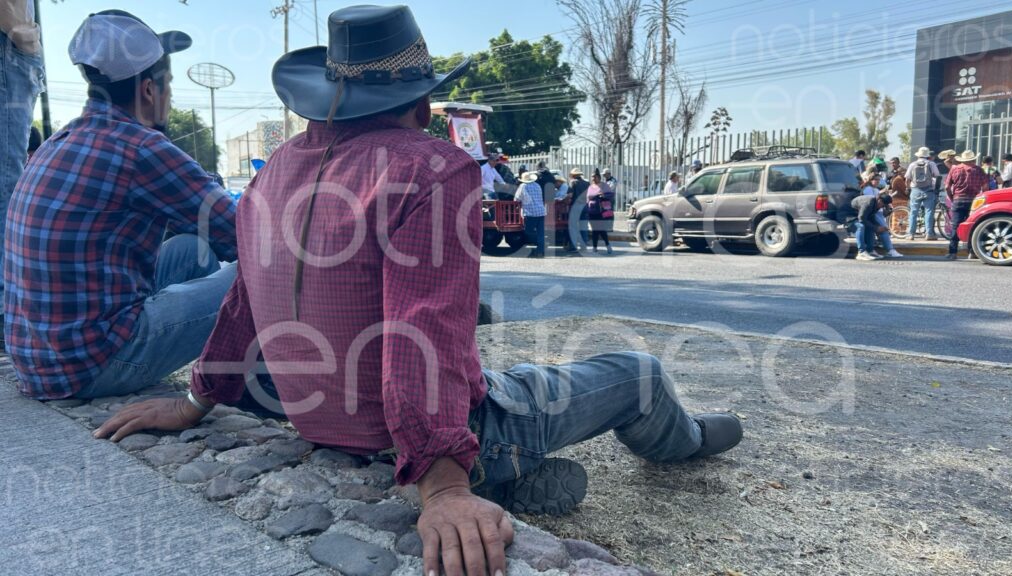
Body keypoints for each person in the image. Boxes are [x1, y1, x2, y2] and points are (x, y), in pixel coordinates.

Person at [92, 8, 743, 576]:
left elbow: (240, 304)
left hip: (321, 422)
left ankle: (523, 477)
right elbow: (420, 329)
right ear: (424, 106)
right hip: (451, 433)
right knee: (637, 371)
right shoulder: (433, 168)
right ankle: (676, 439)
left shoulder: (272, 175)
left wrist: (194, 400)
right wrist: (443, 486)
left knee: (506, 374)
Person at [4, 10, 238, 400]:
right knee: (253, 275)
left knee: (189, 250)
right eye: (169, 85)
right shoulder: (142, 147)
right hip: (88, 367)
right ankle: (238, 387)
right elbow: (244, 233)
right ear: (149, 90)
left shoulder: (58, 141)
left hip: (38, 358)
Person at [1, 0, 44, 335]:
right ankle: (7, 315)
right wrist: (24, 34)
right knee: (5, 184)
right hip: (7, 41)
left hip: (11, 42)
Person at [944, 150, 985, 260]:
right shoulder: (979, 170)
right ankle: (972, 252)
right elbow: (985, 188)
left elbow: (947, 187)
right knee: (973, 226)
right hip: (974, 202)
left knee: (955, 227)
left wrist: (952, 197)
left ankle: (952, 252)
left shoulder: (954, 169)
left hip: (958, 200)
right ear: (973, 159)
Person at [860, 173, 902, 258]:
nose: (877, 182)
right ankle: (890, 250)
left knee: (879, 230)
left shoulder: (875, 189)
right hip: (874, 212)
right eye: (876, 180)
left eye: (879, 180)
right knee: (883, 230)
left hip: (878, 212)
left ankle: (873, 249)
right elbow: (872, 201)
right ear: (871, 180)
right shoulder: (868, 189)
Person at [904, 147, 941, 241]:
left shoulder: (912, 164)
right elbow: (937, 176)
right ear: (927, 155)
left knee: (913, 212)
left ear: (918, 155)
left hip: (915, 190)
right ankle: (929, 234)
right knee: (929, 212)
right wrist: (936, 189)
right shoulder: (931, 164)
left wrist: (908, 188)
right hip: (929, 190)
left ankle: (911, 234)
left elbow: (907, 179)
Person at [852, 192, 893, 261]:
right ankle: (861, 252)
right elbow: (861, 218)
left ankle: (870, 250)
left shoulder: (876, 204)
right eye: (883, 205)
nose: (882, 207)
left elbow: (870, 217)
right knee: (861, 226)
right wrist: (876, 228)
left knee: (871, 227)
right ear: (879, 200)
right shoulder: (869, 203)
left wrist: (878, 227)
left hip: (858, 215)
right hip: (849, 215)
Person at [515, 171, 547, 258]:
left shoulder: (523, 186)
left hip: (530, 212)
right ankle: (541, 250)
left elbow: (517, 198)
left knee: (528, 231)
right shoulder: (537, 185)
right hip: (541, 211)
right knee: (541, 232)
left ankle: (540, 244)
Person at [588, 172, 615, 254]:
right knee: (594, 230)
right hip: (591, 211)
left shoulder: (604, 186)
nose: (593, 179)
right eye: (592, 177)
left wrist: (603, 195)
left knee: (601, 230)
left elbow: (611, 195)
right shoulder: (591, 186)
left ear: (599, 177)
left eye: (594, 177)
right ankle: (595, 247)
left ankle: (607, 245)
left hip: (601, 212)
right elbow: (588, 197)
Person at [567, 167, 590, 252]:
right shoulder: (587, 183)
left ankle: (573, 246)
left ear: (573, 175)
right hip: (584, 206)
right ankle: (583, 246)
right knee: (583, 226)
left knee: (573, 227)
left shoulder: (573, 182)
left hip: (575, 207)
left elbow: (570, 195)